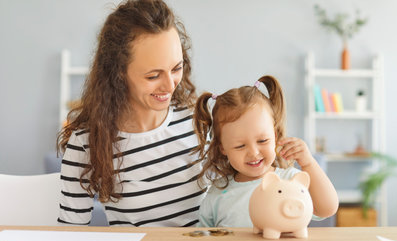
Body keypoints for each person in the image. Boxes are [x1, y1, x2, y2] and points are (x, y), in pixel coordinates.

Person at [57, 0, 206, 227]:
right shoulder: (87, 142)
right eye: (153, 76)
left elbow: (244, 189)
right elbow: (70, 233)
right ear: (118, 74)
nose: (170, 85)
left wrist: (276, 161)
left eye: (177, 68)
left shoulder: (200, 121)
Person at [193, 75, 339, 227]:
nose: (254, 153)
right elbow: (204, 239)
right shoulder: (217, 192)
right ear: (222, 147)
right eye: (240, 146)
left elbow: (327, 209)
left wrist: (308, 163)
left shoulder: (290, 180)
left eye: (262, 141)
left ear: (275, 136)